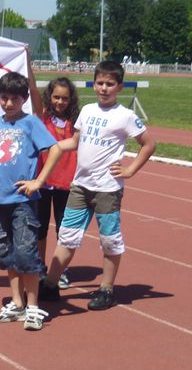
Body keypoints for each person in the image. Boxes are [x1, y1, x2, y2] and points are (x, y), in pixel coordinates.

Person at [40, 60, 156, 311]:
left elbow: (148, 144)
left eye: (110, 84)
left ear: (120, 87)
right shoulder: (87, 111)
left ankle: (106, 289)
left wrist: (130, 170)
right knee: (67, 237)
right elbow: (75, 142)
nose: (104, 88)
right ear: (94, 84)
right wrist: (58, 146)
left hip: (107, 189)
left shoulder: (125, 116)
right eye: (100, 83)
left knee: (110, 240)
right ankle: (50, 284)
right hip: (80, 187)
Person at [0, 71, 63, 331]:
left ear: (24, 98)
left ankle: (33, 307)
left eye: (14, 98)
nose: (9, 103)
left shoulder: (31, 123)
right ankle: (16, 303)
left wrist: (39, 181)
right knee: (7, 253)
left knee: (26, 253)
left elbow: (54, 149)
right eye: (4, 98)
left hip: (24, 201)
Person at [29, 74, 80, 288]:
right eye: (56, 97)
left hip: (66, 183)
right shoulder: (42, 117)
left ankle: (61, 270)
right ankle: (40, 267)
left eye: (64, 98)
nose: (59, 102)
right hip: (42, 181)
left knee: (63, 229)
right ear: (49, 97)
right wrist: (28, 62)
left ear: (71, 100)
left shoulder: (76, 121)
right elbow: (32, 92)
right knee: (40, 228)